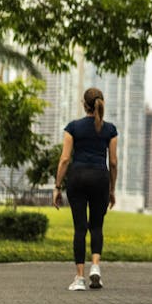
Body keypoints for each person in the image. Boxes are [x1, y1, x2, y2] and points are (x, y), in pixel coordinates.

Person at [52, 87, 118, 291]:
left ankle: (79, 278)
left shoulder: (73, 127)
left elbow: (64, 159)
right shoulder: (109, 130)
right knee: (97, 226)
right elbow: (113, 162)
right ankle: (95, 267)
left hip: (77, 178)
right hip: (100, 178)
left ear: (84, 104)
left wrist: (57, 187)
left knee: (80, 228)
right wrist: (111, 189)